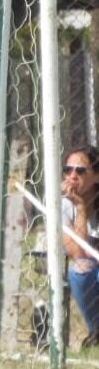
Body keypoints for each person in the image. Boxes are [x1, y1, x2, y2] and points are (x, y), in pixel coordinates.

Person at [59, 144, 99, 348]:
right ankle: (96, 331)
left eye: (80, 171)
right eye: (68, 170)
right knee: (80, 270)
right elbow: (78, 254)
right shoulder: (63, 205)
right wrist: (80, 208)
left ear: (96, 176)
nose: (73, 175)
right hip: (90, 269)